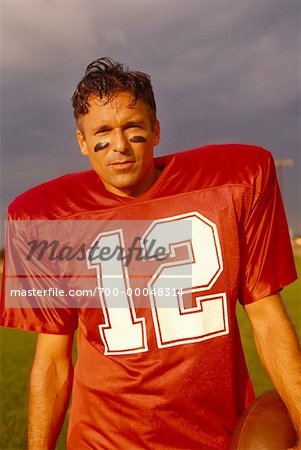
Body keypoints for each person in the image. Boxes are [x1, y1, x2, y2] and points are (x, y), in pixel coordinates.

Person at [1, 57, 300, 450]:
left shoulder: (234, 185)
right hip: (103, 441)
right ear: (82, 142)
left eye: (133, 127)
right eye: (103, 132)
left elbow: (266, 319)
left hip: (215, 437)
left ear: (156, 130)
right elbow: (52, 360)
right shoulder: (44, 218)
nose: (119, 146)